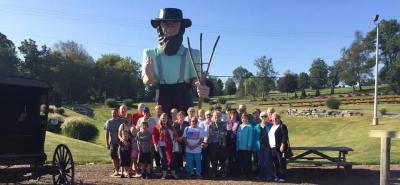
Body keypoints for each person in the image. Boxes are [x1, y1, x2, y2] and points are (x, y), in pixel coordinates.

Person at [142, 8, 209, 114]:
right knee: (164, 128)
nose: (170, 27)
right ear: (159, 26)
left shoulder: (192, 54)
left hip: (184, 99)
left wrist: (200, 86)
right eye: (165, 23)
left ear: (181, 26)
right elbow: (146, 80)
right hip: (162, 100)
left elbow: (195, 78)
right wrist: (149, 77)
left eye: (174, 23)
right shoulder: (150, 53)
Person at [152, 113, 178, 179]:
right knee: (163, 159)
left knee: (172, 159)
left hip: (170, 146)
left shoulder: (171, 127)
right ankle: (164, 174)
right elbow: (154, 136)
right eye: (163, 118)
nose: (164, 119)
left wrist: (175, 137)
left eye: (165, 118)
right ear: (160, 118)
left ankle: (173, 173)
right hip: (161, 146)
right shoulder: (157, 127)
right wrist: (155, 145)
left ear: (167, 119)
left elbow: (175, 134)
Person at [269, 112, 288, 182]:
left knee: (281, 162)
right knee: (275, 163)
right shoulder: (272, 127)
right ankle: (277, 176)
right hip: (272, 147)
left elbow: (285, 136)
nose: (274, 120)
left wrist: (282, 144)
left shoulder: (282, 126)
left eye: (276, 118)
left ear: (279, 119)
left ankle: (282, 177)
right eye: (273, 119)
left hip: (279, 147)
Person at [105, 109, 124, 177]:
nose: (114, 114)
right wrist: (107, 143)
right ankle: (116, 171)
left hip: (121, 141)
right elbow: (107, 133)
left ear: (118, 113)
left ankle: (123, 170)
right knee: (113, 156)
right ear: (111, 114)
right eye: (113, 113)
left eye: (115, 113)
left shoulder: (122, 121)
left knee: (121, 156)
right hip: (112, 142)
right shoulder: (109, 122)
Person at [207, 111, 227, 177]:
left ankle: (222, 173)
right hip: (213, 144)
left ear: (221, 117)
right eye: (215, 115)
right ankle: (214, 173)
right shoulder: (210, 124)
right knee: (213, 159)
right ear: (213, 116)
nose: (216, 117)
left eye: (218, 115)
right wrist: (219, 133)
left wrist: (216, 133)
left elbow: (225, 133)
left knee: (222, 159)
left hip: (221, 144)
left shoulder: (223, 124)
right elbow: (210, 134)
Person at [254, 111, 273, 181]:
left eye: (265, 116)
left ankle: (268, 176)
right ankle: (261, 175)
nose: (264, 117)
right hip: (259, 146)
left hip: (267, 146)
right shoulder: (256, 127)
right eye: (262, 116)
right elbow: (254, 138)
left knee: (267, 161)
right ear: (260, 117)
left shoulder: (270, 125)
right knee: (260, 162)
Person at [236, 113, 253, 178]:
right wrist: (237, 145)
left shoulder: (250, 126)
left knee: (247, 161)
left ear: (247, 119)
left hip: (246, 147)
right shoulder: (240, 126)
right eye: (242, 118)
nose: (244, 119)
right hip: (240, 147)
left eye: (245, 118)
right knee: (241, 161)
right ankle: (242, 173)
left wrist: (249, 145)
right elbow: (237, 136)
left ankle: (247, 173)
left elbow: (250, 137)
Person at [226, 109, 239, 177]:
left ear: (236, 114)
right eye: (232, 113)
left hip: (236, 142)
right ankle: (229, 172)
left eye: (235, 113)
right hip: (228, 143)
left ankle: (236, 172)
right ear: (230, 114)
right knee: (229, 158)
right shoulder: (227, 122)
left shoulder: (238, 122)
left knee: (236, 157)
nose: (233, 114)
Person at [199, 110, 212, 176]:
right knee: (204, 158)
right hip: (204, 142)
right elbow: (201, 133)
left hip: (212, 142)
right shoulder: (202, 123)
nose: (208, 116)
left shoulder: (213, 123)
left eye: (210, 115)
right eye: (207, 115)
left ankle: (209, 171)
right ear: (205, 116)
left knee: (211, 157)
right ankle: (203, 171)